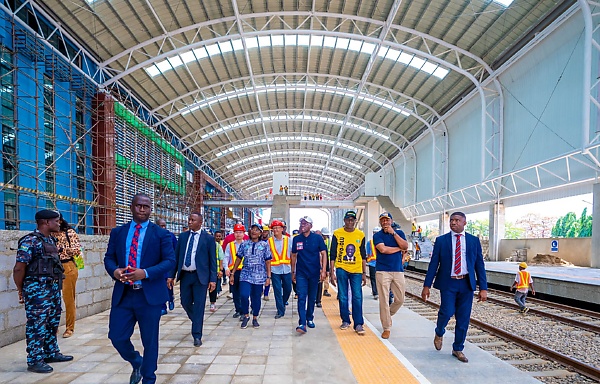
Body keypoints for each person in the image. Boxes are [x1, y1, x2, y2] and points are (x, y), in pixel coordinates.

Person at [104, 193, 175, 384]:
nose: (142, 210)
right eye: (138, 206)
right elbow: (109, 258)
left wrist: (145, 272)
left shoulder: (161, 234)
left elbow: (170, 260)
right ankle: (137, 361)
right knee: (117, 336)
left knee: (150, 341)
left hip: (149, 295)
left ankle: (149, 378)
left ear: (150, 209)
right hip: (124, 294)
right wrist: (115, 271)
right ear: (131, 207)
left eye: (146, 206)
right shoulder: (118, 232)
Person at [421, 211, 488, 363]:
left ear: (465, 222)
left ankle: (458, 348)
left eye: (457, 220)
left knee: (463, 318)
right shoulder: (441, 241)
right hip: (449, 283)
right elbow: (433, 265)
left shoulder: (473, 241)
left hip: (466, 284)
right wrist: (427, 285)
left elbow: (479, 265)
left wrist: (483, 288)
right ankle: (439, 331)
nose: (453, 223)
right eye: (451, 220)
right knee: (446, 311)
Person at [13, 209, 73, 374]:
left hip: (52, 288)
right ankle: (34, 359)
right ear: (46, 222)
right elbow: (19, 269)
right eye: (56, 221)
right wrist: (21, 290)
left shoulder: (50, 240)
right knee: (36, 324)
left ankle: (50, 352)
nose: (58, 223)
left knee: (52, 321)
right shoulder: (30, 241)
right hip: (37, 289)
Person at [168, 212, 217, 347]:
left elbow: (213, 261)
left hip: (200, 277)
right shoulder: (183, 237)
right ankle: (196, 320)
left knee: (200, 305)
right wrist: (171, 275)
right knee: (185, 302)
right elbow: (176, 257)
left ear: (200, 223)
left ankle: (197, 335)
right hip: (185, 275)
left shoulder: (208, 239)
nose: (189, 222)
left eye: (192, 220)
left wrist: (213, 280)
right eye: (189, 219)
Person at [329, 210, 367, 335]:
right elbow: (333, 254)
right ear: (344, 220)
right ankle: (345, 320)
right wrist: (332, 272)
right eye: (348, 220)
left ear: (355, 221)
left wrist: (364, 273)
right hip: (341, 269)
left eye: (352, 220)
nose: (350, 222)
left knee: (357, 296)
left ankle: (359, 323)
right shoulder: (337, 233)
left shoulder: (360, 235)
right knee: (343, 296)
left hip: (356, 270)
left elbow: (363, 255)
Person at [373, 212, 409, 339]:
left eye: (387, 220)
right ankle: (386, 327)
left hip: (398, 270)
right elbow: (383, 250)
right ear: (380, 222)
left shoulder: (399, 233)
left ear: (391, 221)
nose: (385, 222)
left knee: (400, 299)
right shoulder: (377, 236)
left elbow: (405, 245)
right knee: (383, 299)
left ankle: (387, 315)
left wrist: (393, 233)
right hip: (382, 270)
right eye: (382, 220)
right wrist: (399, 249)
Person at [231, 224, 272, 329]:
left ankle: (254, 317)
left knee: (256, 298)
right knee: (244, 295)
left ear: (260, 233)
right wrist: (233, 273)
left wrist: (268, 277)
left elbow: (268, 261)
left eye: (257, 230)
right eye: (252, 229)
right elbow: (239, 258)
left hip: (259, 275)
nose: (254, 231)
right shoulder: (244, 244)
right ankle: (245, 315)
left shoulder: (264, 245)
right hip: (246, 274)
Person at [291, 216, 328, 334]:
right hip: (301, 272)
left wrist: (323, 270)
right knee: (301, 297)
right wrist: (293, 271)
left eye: (305, 223)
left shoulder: (317, 238)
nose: (303, 225)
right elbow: (293, 255)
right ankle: (302, 323)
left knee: (311, 297)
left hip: (314, 272)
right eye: (301, 223)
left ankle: (309, 318)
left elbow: (323, 253)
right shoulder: (297, 239)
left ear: (311, 226)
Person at [52, 214, 81, 338]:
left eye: (58, 221)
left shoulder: (69, 232)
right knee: (52, 299)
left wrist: (62, 248)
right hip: (51, 267)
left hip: (67, 266)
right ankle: (53, 327)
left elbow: (77, 250)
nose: (57, 223)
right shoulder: (48, 234)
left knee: (68, 299)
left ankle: (70, 328)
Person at [268, 220, 292, 319]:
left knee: (288, 289)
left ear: (282, 229)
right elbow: (267, 258)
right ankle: (280, 310)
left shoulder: (289, 240)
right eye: (274, 228)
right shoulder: (269, 242)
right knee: (277, 290)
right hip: (274, 270)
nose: (276, 230)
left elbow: (293, 254)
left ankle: (282, 302)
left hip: (287, 269)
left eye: (278, 227)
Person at [224, 223, 247, 317]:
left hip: (245, 271)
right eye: (236, 232)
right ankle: (238, 309)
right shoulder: (230, 245)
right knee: (235, 291)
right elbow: (226, 257)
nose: (238, 234)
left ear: (243, 234)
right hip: (233, 272)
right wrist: (226, 268)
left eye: (240, 232)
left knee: (243, 292)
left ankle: (244, 310)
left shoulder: (247, 244)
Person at [156, 219, 177, 315]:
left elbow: (176, 250)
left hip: (168, 265)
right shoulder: (153, 235)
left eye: (164, 226)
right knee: (160, 287)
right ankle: (162, 306)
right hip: (157, 266)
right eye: (161, 226)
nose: (163, 228)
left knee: (168, 285)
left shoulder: (170, 236)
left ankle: (170, 298)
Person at [209, 230, 225, 312]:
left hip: (215, 270)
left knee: (213, 287)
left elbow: (221, 258)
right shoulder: (204, 245)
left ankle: (212, 303)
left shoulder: (218, 246)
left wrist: (221, 269)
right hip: (204, 270)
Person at [366, 226, 381, 300]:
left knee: (375, 279)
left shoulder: (370, 242)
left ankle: (376, 292)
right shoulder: (370, 243)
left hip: (375, 263)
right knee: (375, 279)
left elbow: (368, 254)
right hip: (375, 263)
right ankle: (375, 292)